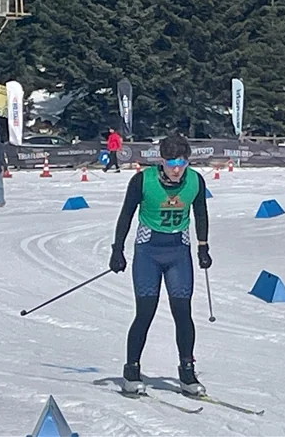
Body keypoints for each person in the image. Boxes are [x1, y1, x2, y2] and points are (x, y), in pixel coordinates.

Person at [109, 134, 212, 396]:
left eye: (182, 163)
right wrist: (117, 250)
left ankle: (187, 373)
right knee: (145, 312)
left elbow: (200, 213)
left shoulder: (195, 181)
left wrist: (203, 246)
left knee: (183, 312)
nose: (177, 169)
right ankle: (131, 370)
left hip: (178, 253)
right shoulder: (142, 180)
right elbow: (126, 215)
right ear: (162, 161)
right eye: (172, 163)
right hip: (148, 253)